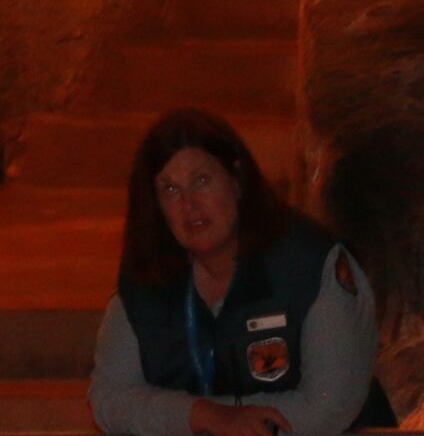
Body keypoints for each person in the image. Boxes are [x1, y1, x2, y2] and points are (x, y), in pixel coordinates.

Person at [89, 109, 392, 436]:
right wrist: (202, 415)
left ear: (236, 180)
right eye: (171, 190)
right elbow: (109, 398)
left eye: (201, 180)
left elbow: (329, 406)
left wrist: (231, 421)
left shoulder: (311, 263)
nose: (189, 204)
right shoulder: (147, 278)